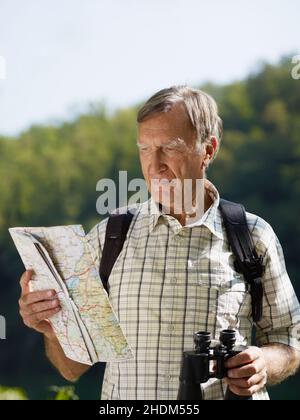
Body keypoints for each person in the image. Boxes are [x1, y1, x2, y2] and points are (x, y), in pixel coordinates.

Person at [19, 86, 300, 400]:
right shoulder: (108, 237)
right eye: (145, 148)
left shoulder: (253, 236)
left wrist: (264, 362)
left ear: (208, 150)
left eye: (170, 147)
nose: (154, 164)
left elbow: (289, 342)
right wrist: (51, 328)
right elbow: (72, 369)